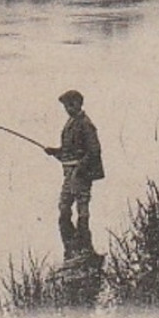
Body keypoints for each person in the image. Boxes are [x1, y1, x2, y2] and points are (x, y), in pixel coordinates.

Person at [45, 89, 104, 259]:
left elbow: (94, 151)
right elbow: (68, 150)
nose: (69, 108)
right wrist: (54, 151)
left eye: (71, 104)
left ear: (79, 103)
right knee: (64, 208)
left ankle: (84, 248)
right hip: (70, 173)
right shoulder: (71, 122)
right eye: (66, 106)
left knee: (82, 208)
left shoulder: (86, 124)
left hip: (81, 173)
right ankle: (75, 247)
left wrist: (79, 170)